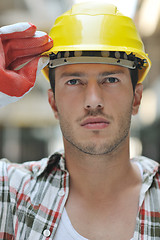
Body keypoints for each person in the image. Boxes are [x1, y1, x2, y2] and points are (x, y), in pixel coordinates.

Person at [0, 2, 159, 240]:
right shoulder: (12, 195)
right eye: (74, 81)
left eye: (111, 79)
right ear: (53, 102)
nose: (93, 101)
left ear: (136, 98)